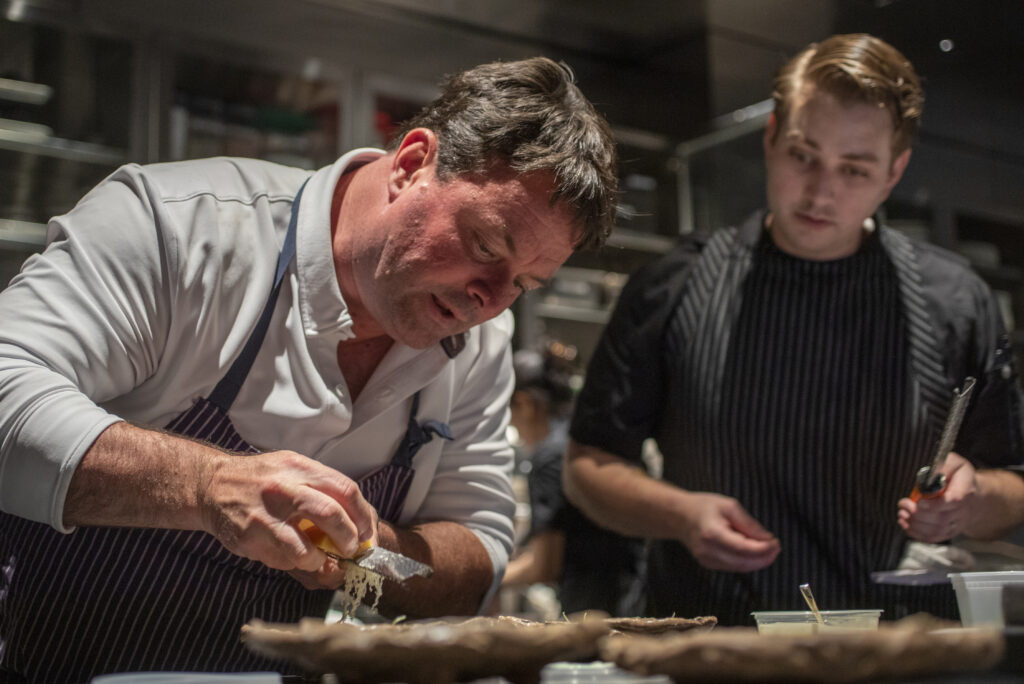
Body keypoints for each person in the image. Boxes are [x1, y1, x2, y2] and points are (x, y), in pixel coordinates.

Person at [0, 56, 618, 680]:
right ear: (410, 165)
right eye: (485, 245)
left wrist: (369, 555)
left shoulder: (482, 341)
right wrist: (206, 488)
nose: (490, 298)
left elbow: (479, 551)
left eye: (525, 283)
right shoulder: (181, 225)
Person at [564, 33, 1024, 627]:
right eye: (803, 155)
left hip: (902, 653)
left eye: (854, 169)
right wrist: (678, 513)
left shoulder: (958, 301)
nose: (821, 191)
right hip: (714, 648)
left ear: (895, 172)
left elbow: (1013, 486)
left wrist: (971, 500)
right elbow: (587, 464)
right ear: (772, 136)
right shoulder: (671, 285)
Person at [501, 343, 645, 617]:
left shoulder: (549, 458)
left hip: (589, 608)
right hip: (634, 596)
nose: (514, 427)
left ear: (525, 404)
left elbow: (545, 567)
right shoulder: (587, 438)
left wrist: (487, 579)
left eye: (511, 416)